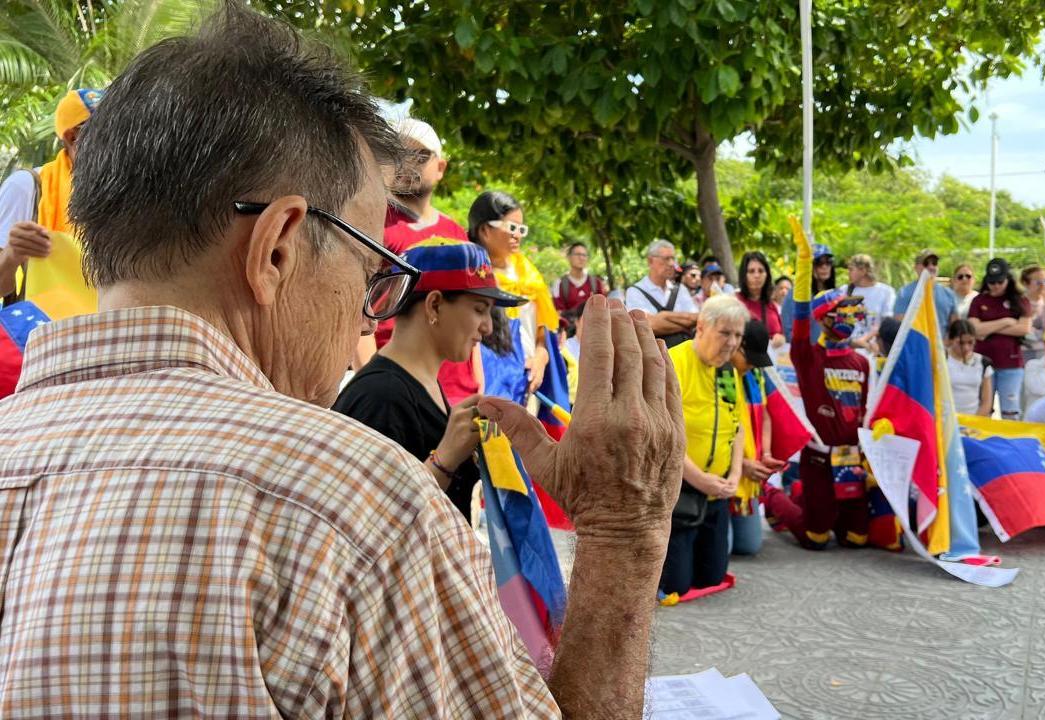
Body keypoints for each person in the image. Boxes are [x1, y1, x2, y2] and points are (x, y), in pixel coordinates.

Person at [0, 6, 686, 716]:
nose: (369, 312)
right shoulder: (352, 500)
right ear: (277, 248)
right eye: (372, 268)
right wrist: (624, 531)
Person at [334, 238, 524, 520]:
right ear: (434, 305)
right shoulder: (381, 397)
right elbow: (368, 524)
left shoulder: (421, 384)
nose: (487, 327)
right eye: (480, 309)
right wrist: (445, 460)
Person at [761, 219, 897, 552]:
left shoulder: (861, 362)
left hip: (851, 461)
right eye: (842, 312)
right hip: (819, 459)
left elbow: (865, 411)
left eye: (853, 313)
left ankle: (806, 498)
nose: (849, 319)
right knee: (816, 539)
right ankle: (775, 497)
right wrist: (804, 264)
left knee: (856, 539)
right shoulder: (808, 356)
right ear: (824, 318)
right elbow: (801, 313)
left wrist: (876, 438)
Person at [661, 294, 748, 596]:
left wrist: (735, 474)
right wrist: (699, 479)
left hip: (717, 493)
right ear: (700, 327)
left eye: (738, 335)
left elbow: (737, 427)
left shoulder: (728, 371)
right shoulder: (673, 363)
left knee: (712, 578)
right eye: (725, 332)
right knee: (677, 585)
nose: (732, 343)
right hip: (680, 490)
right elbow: (662, 437)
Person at [370, 118, 469, 354]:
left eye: (421, 155)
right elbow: (354, 306)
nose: (408, 163)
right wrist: (371, 376)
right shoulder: (371, 221)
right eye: (398, 153)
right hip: (390, 365)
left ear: (441, 168)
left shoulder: (456, 233)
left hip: (450, 376)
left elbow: (468, 304)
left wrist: (476, 377)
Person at [0, 88, 104, 309]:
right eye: (107, 133)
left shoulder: (125, 194)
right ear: (72, 137)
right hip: (38, 334)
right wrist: (12, 255)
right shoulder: (27, 187)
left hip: (103, 336)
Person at [468, 190, 558, 394]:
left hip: (528, 382)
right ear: (485, 230)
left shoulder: (529, 274)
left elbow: (543, 332)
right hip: (489, 382)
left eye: (521, 229)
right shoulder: (472, 274)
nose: (517, 235)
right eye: (512, 227)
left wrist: (540, 358)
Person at [730, 319, 786, 556]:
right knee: (724, 551)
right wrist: (740, 465)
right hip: (718, 473)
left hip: (749, 472)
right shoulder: (715, 373)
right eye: (749, 358)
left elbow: (764, 416)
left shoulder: (756, 376)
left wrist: (766, 454)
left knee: (748, 545)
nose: (752, 365)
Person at [969, 257, 1032, 420]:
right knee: (984, 408)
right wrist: (1005, 322)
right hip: (984, 363)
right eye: (992, 282)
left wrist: (988, 328)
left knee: (1010, 410)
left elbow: (1024, 328)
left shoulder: (1020, 301)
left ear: (1008, 280)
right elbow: (975, 329)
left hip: (1010, 364)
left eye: (999, 282)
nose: (995, 286)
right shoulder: (979, 300)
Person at [626, 239, 699, 347]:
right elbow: (647, 325)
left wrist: (662, 316)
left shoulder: (680, 289)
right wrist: (685, 324)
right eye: (666, 259)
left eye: (673, 258)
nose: (671, 263)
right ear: (650, 261)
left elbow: (696, 318)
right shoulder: (635, 291)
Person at [893, 249, 956, 337]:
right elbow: (899, 323)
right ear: (916, 267)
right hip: (916, 346)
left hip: (941, 347)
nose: (931, 267)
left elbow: (954, 325)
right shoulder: (904, 293)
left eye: (934, 263)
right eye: (926, 264)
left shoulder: (948, 294)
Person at [844, 253, 897, 353]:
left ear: (863, 271)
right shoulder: (844, 291)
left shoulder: (886, 292)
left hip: (872, 349)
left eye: (851, 269)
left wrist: (863, 340)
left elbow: (886, 323)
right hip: (847, 348)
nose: (848, 273)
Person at [735, 250, 785, 347]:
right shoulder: (735, 302)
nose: (757, 275)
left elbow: (781, 334)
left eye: (761, 271)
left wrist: (781, 338)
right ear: (743, 275)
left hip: (771, 359)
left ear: (767, 275)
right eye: (751, 271)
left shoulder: (772, 306)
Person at [945, 319, 993, 417]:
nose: (966, 348)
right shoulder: (941, 359)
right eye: (960, 343)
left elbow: (987, 401)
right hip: (945, 419)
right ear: (950, 340)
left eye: (970, 342)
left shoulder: (983, 362)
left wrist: (975, 421)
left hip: (973, 420)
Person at [551, 240, 607, 314]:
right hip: (570, 324)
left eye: (584, 255)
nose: (581, 258)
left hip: (593, 324)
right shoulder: (559, 284)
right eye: (577, 254)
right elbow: (559, 312)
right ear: (569, 257)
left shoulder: (596, 282)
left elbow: (603, 308)